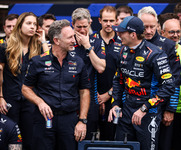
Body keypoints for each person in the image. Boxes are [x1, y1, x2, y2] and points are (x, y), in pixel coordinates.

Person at [22, 19, 91, 150]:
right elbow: (25, 88)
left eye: (73, 36)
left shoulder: (79, 62)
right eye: (70, 37)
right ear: (56, 41)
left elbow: (84, 91)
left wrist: (82, 120)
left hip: (69, 119)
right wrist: (39, 102)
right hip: (44, 119)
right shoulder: (38, 61)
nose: (74, 41)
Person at [108, 16, 175, 150]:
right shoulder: (123, 51)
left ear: (133, 35)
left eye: (122, 32)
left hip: (148, 112)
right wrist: (115, 104)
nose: (118, 34)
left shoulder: (155, 54)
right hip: (126, 110)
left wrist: (144, 108)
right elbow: (118, 81)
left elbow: (169, 86)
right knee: (121, 148)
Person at [138, 6, 181, 150]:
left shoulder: (168, 45)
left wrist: (170, 109)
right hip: (137, 105)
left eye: (152, 26)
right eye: (145, 27)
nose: (149, 31)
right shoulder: (133, 42)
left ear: (158, 25)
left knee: (162, 145)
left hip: (161, 107)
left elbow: (175, 79)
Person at [0, 12, 43, 150]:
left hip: (30, 101)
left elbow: (49, 65)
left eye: (34, 24)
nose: (32, 27)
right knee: (10, 139)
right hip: (9, 99)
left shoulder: (38, 48)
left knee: (29, 140)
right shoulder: (5, 47)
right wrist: (0, 97)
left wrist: (43, 41)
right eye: (28, 23)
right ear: (20, 26)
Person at [71, 8, 106, 140]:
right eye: (78, 27)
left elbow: (101, 68)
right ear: (72, 24)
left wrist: (87, 47)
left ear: (90, 23)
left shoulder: (97, 42)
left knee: (87, 138)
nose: (81, 30)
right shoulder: (67, 42)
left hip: (90, 98)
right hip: (69, 97)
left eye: (85, 26)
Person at [92, 5, 123, 140]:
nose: (108, 24)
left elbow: (124, 73)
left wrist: (108, 94)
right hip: (92, 97)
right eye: (105, 20)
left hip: (114, 97)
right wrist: (97, 96)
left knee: (111, 138)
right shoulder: (90, 40)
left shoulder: (123, 42)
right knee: (89, 137)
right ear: (99, 20)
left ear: (116, 21)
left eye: (111, 20)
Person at [161, 18, 181, 150]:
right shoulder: (157, 51)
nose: (175, 35)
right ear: (162, 32)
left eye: (178, 31)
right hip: (165, 107)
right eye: (171, 32)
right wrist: (170, 109)